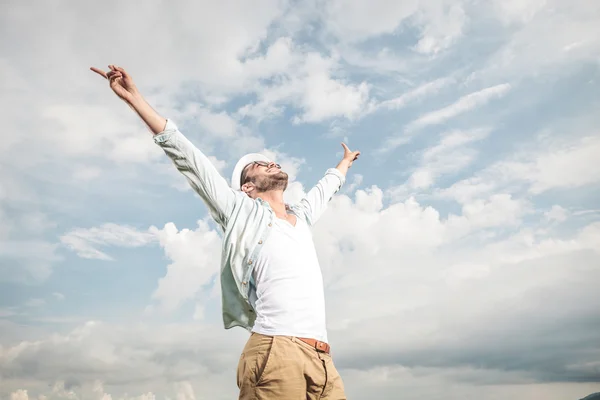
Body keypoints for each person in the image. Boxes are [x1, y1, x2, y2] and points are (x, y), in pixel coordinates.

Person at [91, 65, 360, 400]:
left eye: (271, 161)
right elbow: (188, 157)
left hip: (323, 361)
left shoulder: (301, 218)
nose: (270, 163)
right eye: (259, 165)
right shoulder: (239, 210)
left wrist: (344, 164)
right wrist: (136, 99)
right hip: (276, 353)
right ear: (247, 186)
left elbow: (325, 189)